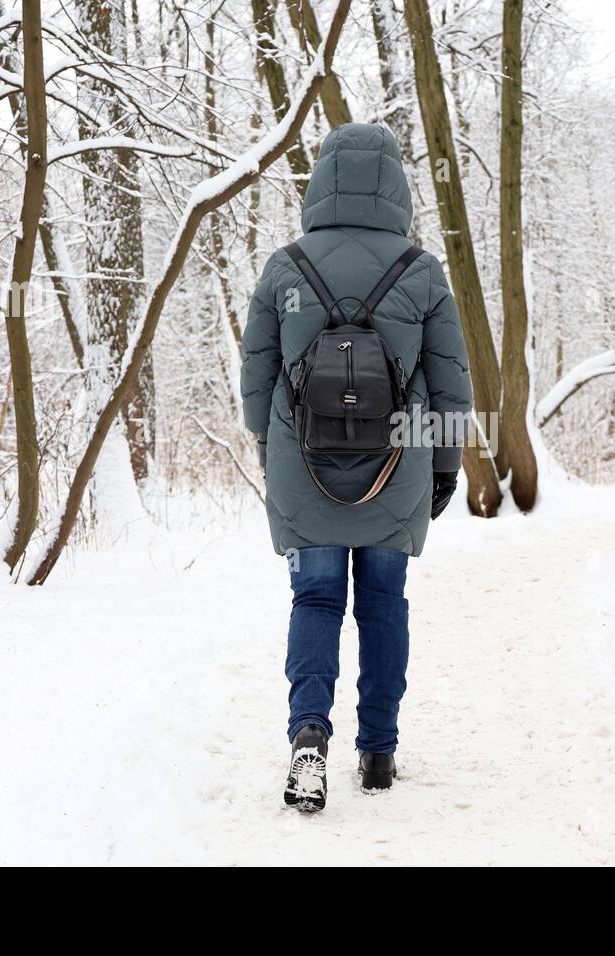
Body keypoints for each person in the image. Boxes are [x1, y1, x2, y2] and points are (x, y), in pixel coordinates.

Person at [240, 124, 473, 812]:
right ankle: (378, 750)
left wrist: (269, 444)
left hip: (301, 463)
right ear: (396, 187)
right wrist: (445, 466)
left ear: (322, 182)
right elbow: (452, 381)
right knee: (382, 603)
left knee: (314, 599)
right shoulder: (421, 271)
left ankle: (309, 736)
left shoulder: (285, 267)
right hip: (397, 462)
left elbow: (256, 379)